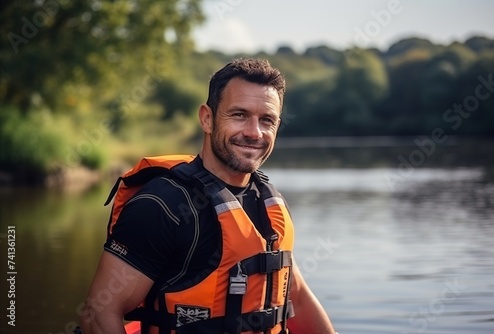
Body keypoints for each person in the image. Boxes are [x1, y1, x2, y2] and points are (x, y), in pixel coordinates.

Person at [80, 58, 337, 334]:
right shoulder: (163, 205)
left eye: (267, 120)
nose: (254, 132)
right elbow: (99, 312)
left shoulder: (271, 202)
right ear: (207, 118)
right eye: (239, 115)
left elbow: (294, 294)